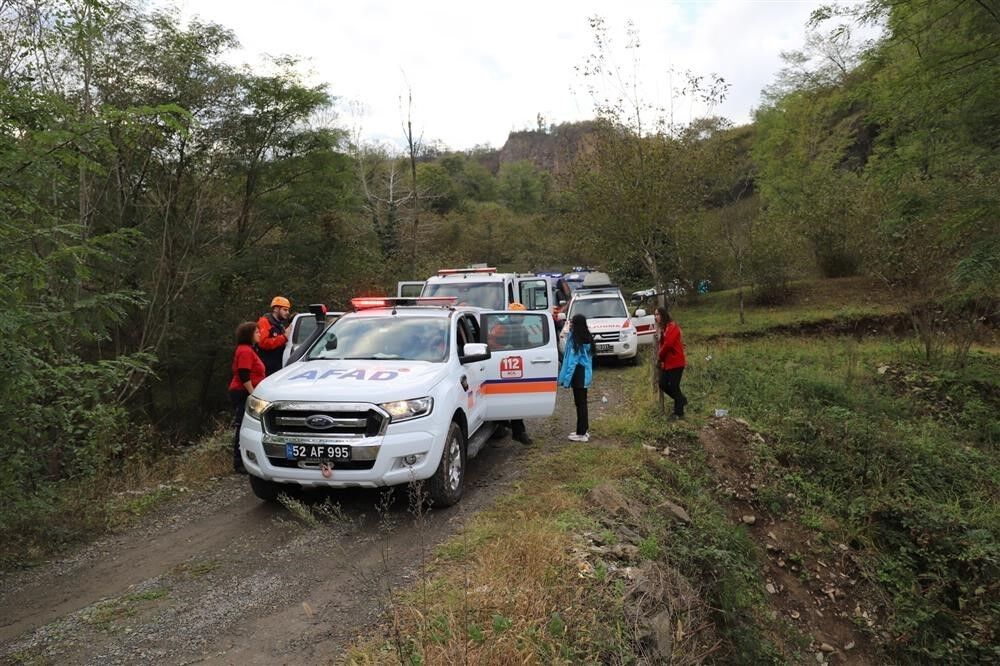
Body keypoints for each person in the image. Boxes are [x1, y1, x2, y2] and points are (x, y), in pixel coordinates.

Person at [487, 303, 532, 445]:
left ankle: (511, 427)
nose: (524, 318)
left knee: (516, 399)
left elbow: (524, 342)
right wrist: (505, 349)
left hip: (515, 365)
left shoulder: (519, 328)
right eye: (522, 315)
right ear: (515, 315)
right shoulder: (501, 327)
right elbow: (489, 342)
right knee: (512, 399)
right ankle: (515, 429)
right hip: (502, 366)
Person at [229, 321, 266, 473]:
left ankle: (245, 459)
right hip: (243, 392)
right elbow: (244, 374)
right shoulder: (245, 351)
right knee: (243, 425)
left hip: (246, 391)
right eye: (257, 332)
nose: (260, 334)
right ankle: (239, 462)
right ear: (249, 334)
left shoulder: (249, 350)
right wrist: (253, 394)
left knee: (246, 424)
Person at [558, 313, 594, 442]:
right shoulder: (586, 337)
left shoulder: (576, 340)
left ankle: (581, 434)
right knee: (582, 403)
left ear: (576, 324)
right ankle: (583, 430)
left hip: (578, 373)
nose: (570, 324)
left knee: (580, 404)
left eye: (572, 322)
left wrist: (566, 380)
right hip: (584, 373)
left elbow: (572, 361)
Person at [655, 306, 687, 419]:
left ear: (663, 315)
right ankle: (681, 400)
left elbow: (668, 344)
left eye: (657, 314)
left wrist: (659, 356)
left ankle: (678, 412)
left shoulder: (672, 327)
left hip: (676, 362)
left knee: (674, 386)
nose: (656, 317)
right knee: (662, 383)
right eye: (655, 315)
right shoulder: (663, 328)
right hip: (667, 363)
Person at [257, 295, 292, 376]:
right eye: (285, 310)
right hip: (267, 368)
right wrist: (284, 337)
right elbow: (263, 343)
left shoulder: (279, 325)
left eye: (288, 310)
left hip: (277, 366)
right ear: (276, 309)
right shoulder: (264, 322)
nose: (287, 312)